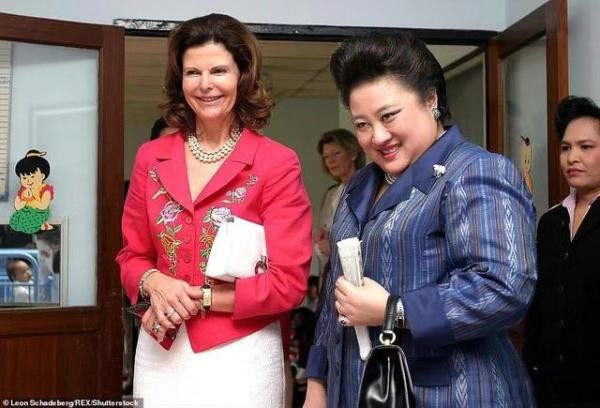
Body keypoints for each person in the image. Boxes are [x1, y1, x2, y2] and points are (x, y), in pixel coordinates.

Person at [304, 33, 537, 407]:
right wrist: (318, 383)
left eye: (388, 116)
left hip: (448, 391)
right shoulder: (358, 186)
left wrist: (394, 310)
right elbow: (338, 293)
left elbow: (504, 288)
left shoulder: (475, 171)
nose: (378, 136)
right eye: (362, 124)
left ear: (431, 100)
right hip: (355, 387)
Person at [116, 14, 312, 407]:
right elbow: (132, 255)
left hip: (241, 351)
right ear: (180, 80)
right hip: (160, 349)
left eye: (219, 71)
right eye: (193, 72)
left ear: (243, 75)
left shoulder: (276, 163)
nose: (205, 84)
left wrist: (199, 298)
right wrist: (154, 281)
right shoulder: (151, 158)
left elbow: (288, 283)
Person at [523, 96, 600, 407]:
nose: (572, 158)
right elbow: (540, 307)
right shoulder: (551, 222)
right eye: (565, 148)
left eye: (586, 147)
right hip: (550, 387)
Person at [314, 129, 364, 281]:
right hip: (331, 276)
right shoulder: (331, 193)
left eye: (336, 153)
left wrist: (333, 247)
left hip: (360, 275)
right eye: (326, 157)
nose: (331, 161)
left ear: (353, 154)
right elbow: (324, 231)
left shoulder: (368, 188)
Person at [9, 150, 54, 234]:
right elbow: (18, 207)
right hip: (25, 211)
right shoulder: (23, 190)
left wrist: (31, 199)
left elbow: (43, 206)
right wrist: (25, 199)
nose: (28, 180)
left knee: (29, 225)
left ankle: (42, 224)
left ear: (42, 176)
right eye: (24, 178)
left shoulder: (45, 190)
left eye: (32, 176)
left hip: (39, 213)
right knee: (14, 222)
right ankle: (40, 225)